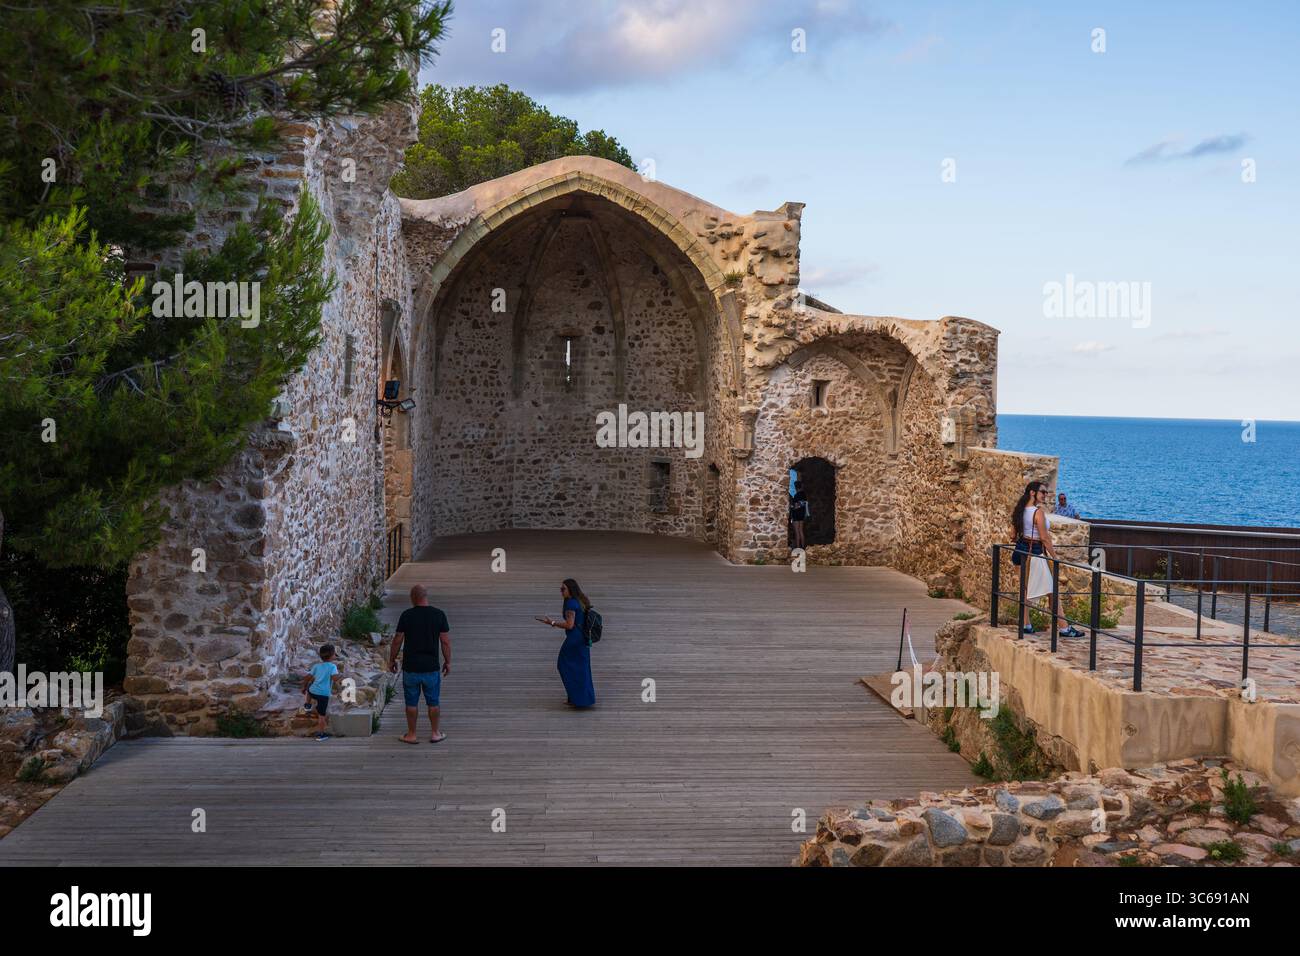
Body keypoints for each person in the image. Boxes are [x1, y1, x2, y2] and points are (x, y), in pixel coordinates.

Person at [1010, 481, 1083, 638]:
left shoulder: (1019, 510)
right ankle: (1064, 628)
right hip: (1035, 554)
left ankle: (1026, 625)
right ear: (1032, 493)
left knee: (1024, 589)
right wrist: (1055, 557)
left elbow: (1012, 535)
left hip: (1019, 552)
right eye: (1043, 492)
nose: (1045, 495)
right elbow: (1044, 538)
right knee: (1052, 591)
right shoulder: (1038, 513)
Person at [388, 585, 451, 744]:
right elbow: (445, 642)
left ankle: (412, 734)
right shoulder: (439, 615)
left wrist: (392, 659)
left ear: (412, 598)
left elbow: (397, 640)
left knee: (411, 702)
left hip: (411, 667)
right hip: (431, 667)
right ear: (425, 596)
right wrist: (448, 662)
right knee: (433, 702)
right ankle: (435, 733)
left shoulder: (407, 615)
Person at [537, 579, 596, 708]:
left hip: (574, 640)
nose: (561, 591)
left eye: (563, 589)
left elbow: (569, 625)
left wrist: (552, 623)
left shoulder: (571, 604)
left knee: (563, 664)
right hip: (583, 638)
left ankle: (576, 697)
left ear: (570, 589)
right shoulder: (580, 600)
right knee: (582, 668)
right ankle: (580, 698)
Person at [301, 644, 341, 741]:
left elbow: (307, 678)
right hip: (324, 695)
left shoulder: (316, 666)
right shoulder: (333, 667)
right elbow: (335, 678)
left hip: (314, 691)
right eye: (335, 654)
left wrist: (304, 687)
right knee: (321, 716)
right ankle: (320, 735)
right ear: (332, 656)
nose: (335, 655)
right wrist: (341, 675)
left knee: (310, 686)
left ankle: (307, 704)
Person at [789, 480, 808, 550]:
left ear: (796, 487)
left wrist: (791, 506)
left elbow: (797, 506)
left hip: (796, 515)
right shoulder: (804, 494)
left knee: (797, 532)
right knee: (801, 531)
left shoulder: (797, 495)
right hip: (802, 514)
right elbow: (803, 504)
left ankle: (797, 547)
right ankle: (803, 546)